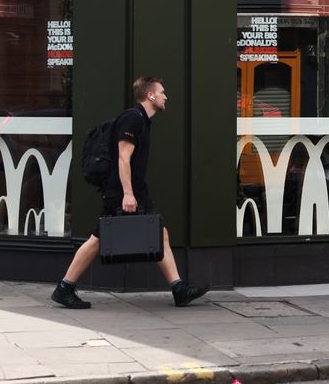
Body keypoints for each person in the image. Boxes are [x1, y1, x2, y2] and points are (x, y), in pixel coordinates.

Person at [51, 76, 210, 309]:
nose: (166, 96)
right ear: (150, 95)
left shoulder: (142, 120)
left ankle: (179, 289)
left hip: (134, 189)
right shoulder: (133, 119)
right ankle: (64, 288)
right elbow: (123, 157)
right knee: (98, 238)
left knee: (159, 232)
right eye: (162, 92)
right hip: (120, 190)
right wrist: (127, 194)